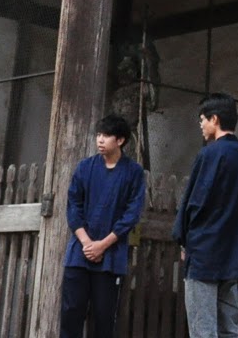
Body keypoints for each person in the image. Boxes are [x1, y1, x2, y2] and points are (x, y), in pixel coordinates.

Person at [173, 93, 238, 338]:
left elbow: (195, 203)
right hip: (235, 254)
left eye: (203, 119)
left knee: (203, 329)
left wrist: (183, 240)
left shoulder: (209, 155)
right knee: (229, 329)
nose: (201, 125)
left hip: (204, 253)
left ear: (215, 119)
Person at [61, 114, 146, 338]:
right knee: (71, 312)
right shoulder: (85, 167)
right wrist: (87, 242)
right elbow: (73, 205)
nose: (100, 140)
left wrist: (103, 245)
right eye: (98, 135)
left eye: (106, 136)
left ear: (120, 140)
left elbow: (131, 214)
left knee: (104, 316)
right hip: (80, 252)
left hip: (111, 255)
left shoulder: (133, 172)